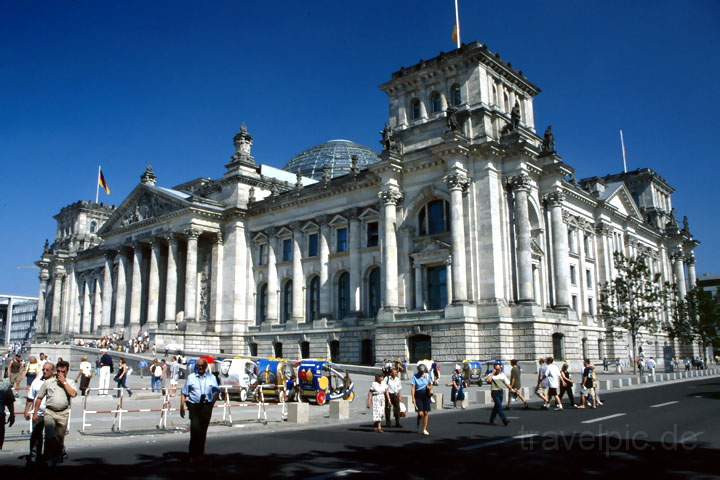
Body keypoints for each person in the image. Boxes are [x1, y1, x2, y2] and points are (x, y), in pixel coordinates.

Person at [32, 359, 77, 466]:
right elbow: (39, 398)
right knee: (49, 436)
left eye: (63, 372)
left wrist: (64, 382)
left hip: (63, 413)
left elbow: (73, 394)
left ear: (67, 371)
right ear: (56, 371)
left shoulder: (70, 382)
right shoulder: (48, 382)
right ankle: (48, 457)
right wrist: (35, 413)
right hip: (50, 412)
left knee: (60, 438)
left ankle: (57, 456)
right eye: (59, 371)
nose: (60, 373)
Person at [180, 357, 219, 460]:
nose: (200, 367)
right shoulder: (191, 377)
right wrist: (182, 406)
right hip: (194, 406)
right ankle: (192, 454)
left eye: (202, 366)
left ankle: (200, 454)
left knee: (203, 431)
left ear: (206, 367)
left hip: (206, 406)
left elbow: (217, 391)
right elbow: (184, 392)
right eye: (198, 366)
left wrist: (211, 403)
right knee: (195, 430)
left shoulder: (212, 378)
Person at [25, 362, 52, 464]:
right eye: (43, 369)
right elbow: (30, 398)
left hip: (51, 414)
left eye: (47, 370)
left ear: (52, 371)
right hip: (38, 413)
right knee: (36, 435)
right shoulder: (36, 382)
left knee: (50, 436)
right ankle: (34, 456)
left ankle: (47, 456)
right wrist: (27, 411)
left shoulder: (56, 382)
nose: (44, 371)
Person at [485, 362, 514, 426]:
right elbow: (488, 381)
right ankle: (505, 420)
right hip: (494, 392)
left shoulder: (502, 375)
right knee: (499, 407)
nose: (499, 370)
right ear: (494, 369)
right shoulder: (491, 375)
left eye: (499, 368)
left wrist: (511, 389)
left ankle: (491, 419)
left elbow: (507, 383)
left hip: (500, 392)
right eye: (497, 369)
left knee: (496, 407)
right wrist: (492, 373)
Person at [411, 363, 432, 435]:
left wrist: (430, 388)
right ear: (418, 371)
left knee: (426, 412)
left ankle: (424, 429)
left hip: (426, 395)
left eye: (422, 372)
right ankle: (419, 417)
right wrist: (413, 398)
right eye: (420, 372)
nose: (421, 373)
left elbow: (430, 384)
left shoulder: (427, 376)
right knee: (421, 413)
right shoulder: (415, 377)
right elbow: (413, 388)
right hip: (418, 395)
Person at [0, 378, 15, 450]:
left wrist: (12, 415)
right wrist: (12, 415)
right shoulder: (5, 385)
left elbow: (10, 402)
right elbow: (10, 402)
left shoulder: (4, 385)